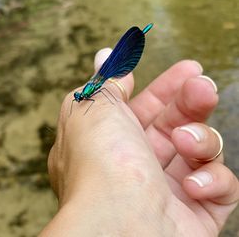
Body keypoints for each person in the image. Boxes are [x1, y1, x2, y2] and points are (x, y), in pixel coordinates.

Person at [39, 48, 239, 237]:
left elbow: (106, 92)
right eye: (79, 96)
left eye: (80, 96)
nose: (79, 97)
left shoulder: (95, 89)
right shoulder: (86, 96)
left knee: (107, 88)